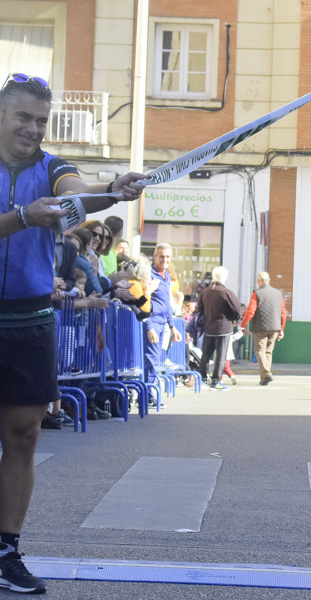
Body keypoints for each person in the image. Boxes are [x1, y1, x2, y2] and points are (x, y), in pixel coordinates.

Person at [0, 72, 145, 594]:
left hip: (31, 317)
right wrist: (20, 218)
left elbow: (77, 193)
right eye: (23, 117)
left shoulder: (51, 166)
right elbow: (21, 218)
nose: (34, 129)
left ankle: (6, 550)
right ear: (1, 116)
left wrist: (112, 191)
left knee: (23, 434)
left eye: (41, 120)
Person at [196, 266, 241, 390]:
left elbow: (199, 309)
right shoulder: (226, 293)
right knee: (221, 356)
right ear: (225, 278)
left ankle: (202, 378)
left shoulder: (205, 292)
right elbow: (237, 311)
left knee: (206, 354)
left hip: (208, 327)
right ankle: (216, 381)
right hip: (224, 328)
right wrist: (233, 318)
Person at [144, 243, 182, 384]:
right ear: (155, 256)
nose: (164, 260)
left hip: (162, 323)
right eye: (161, 256)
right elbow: (144, 303)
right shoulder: (148, 274)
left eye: (167, 257)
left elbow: (166, 305)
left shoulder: (167, 275)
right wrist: (149, 327)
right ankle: (149, 395)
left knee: (155, 359)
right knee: (151, 359)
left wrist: (172, 327)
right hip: (152, 322)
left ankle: (149, 393)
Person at [240, 271, 287, 385]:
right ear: (269, 281)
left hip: (260, 327)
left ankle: (266, 374)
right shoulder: (278, 294)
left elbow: (251, 310)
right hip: (275, 327)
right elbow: (283, 313)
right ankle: (263, 379)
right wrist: (281, 330)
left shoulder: (257, 293)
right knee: (268, 352)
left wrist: (243, 325)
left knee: (260, 351)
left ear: (258, 281)